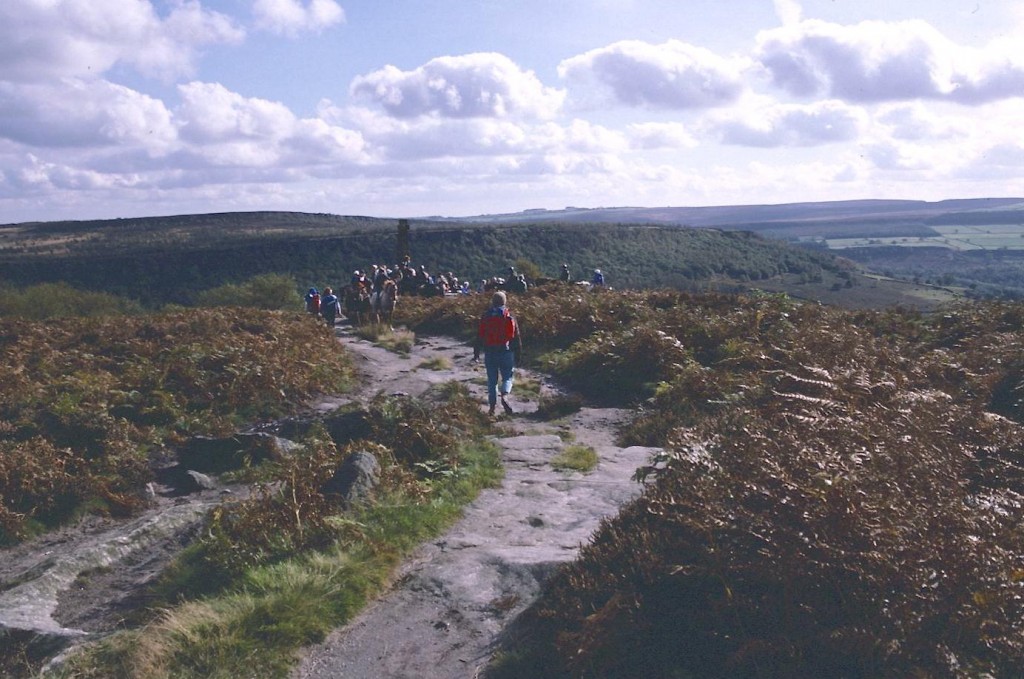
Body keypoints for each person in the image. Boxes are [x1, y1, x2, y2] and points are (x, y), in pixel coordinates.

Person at [473, 291, 522, 416]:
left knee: (492, 381)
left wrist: (476, 353)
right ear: (504, 301)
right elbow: (516, 337)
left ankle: (492, 408)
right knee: (508, 377)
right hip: (506, 351)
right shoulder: (509, 315)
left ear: (492, 301)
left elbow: (480, 335)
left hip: (490, 351)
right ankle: (504, 395)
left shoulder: (486, 315)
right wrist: (518, 354)